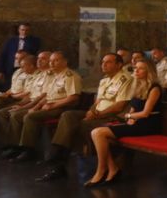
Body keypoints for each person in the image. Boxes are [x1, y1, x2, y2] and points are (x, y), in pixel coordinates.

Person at [36, 52, 134, 181]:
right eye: (102, 62)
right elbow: (98, 101)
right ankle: (58, 154)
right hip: (98, 114)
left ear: (119, 65)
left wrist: (97, 114)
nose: (103, 65)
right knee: (68, 116)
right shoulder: (104, 80)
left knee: (82, 124)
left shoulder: (126, 79)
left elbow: (119, 106)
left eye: (108, 62)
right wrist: (91, 111)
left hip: (113, 117)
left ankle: (57, 160)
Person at [85, 58, 164, 186]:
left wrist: (129, 116)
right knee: (97, 134)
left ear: (148, 71)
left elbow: (145, 113)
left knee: (98, 133)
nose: (136, 70)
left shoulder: (154, 88)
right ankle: (112, 169)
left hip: (148, 125)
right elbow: (133, 109)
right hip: (136, 123)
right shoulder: (138, 85)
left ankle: (101, 170)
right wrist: (129, 118)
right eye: (135, 68)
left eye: (141, 68)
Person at [9, 51, 83, 161]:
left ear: (65, 62)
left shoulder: (70, 76)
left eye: (56, 60)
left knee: (29, 117)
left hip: (62, 107)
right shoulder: (55, 77)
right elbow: (46, 96)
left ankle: (28, 150)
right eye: (51, 61)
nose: (52, 63)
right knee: (18, 115)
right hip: (49, 105)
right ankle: (16, 147)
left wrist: (53, 106)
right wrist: (35, 107)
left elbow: (73, 98)